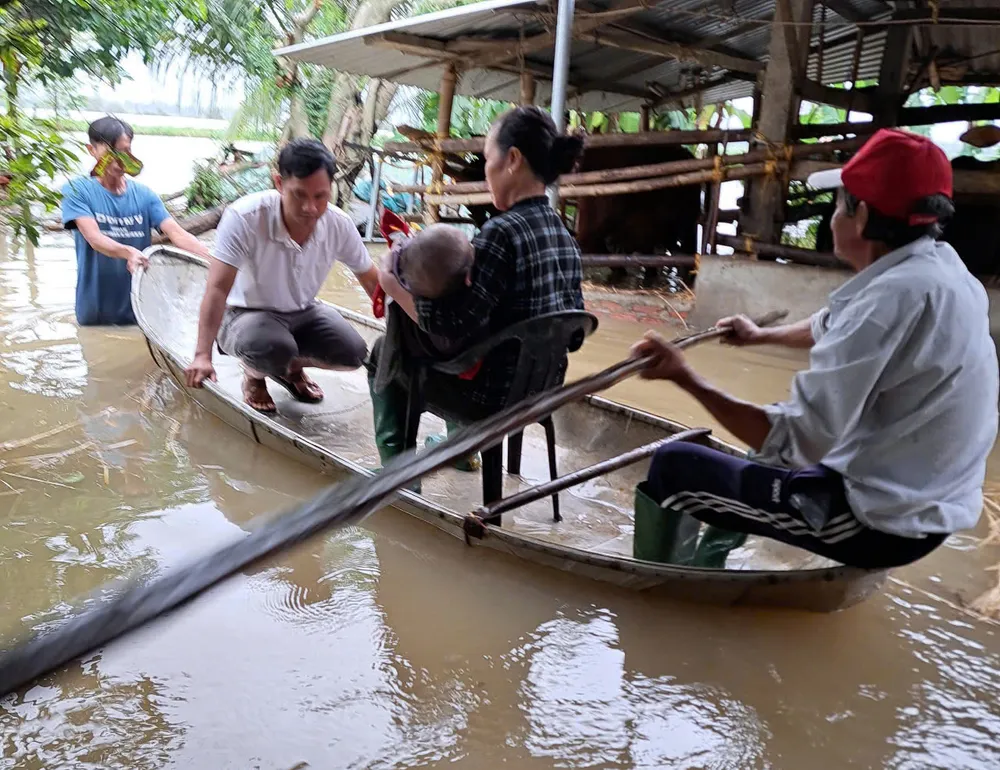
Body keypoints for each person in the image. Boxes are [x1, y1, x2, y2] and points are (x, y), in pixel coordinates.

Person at [630, 128, 999, 570]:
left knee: (674, 465)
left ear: (860, 216)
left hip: (878, 522)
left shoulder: (886, 301)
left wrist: (682, 376)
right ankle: (713, 558)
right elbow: (832, 325)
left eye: (838, 204)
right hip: (925, 508)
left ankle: (663, 583)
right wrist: (760, 335)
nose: (831, 218)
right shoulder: (942, 271)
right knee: (762, 446)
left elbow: (791, 443)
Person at [372, 106, 586, 466]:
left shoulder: (500, 234)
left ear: (512, 159)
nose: (485, 171)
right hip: (543, 392)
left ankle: (397, 475)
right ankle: (459, 451)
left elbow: (451, 329)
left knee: (384, 353)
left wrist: (393, 285)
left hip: (489, 400)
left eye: (487, 158)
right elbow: (576, 336)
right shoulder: (564, 235)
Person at [184, 138, 380, 414]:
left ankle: (288, 370)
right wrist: (202, 355)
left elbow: (373, 281)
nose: (310, 208)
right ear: (279, 183)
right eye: (299, 195)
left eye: (320, 196)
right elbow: (217, 289)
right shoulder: (244, 217)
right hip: (244, 315)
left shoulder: (339, 224)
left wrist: (407, 329)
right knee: (271, 347)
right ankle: (254, 375)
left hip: (305, 311)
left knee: (354, 353)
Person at [61, 116, 212, 326]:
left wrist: (214, 259)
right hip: (95, 312)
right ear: (91, 150)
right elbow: (94, 238)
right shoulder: (76, 191)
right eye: (110, 153)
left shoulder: (144, 195)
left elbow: (176, 234)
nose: (118, 161)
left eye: (125, 151)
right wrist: (128, 252)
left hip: (142, 312)